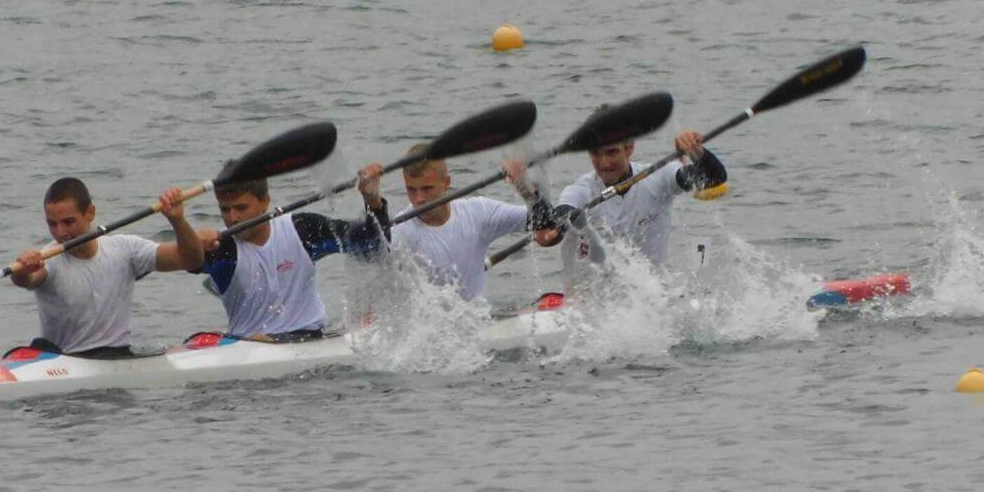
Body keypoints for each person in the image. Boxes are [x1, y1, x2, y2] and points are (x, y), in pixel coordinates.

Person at [9, 177, 204, 358]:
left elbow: (190, 260)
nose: (61, 232)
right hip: (65, 359)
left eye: (68, 222)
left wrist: (177, 221)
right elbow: (27, 279)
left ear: (90, 213)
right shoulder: (49, 260)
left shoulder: (125, 249)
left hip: (116, 355)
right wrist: (22, 270)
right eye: (52, 224)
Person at [197, 164, 389, 340]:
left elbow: (372, 243)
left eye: (240, 208)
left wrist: (371, 198)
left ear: (265, 202)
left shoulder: (302, 229)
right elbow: (174, 259)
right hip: (248, 342)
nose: (232, 218)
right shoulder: (222, 247)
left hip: (306, 335)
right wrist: (177, 220)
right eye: (225, 209)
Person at [536, 128, 726, 279]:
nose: (604, 163)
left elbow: (713, 178)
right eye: (596, 154)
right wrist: (553, 231)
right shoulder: (580, 190)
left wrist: (697, 153)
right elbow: (562, 213)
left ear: (629, 148)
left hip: (650, 298)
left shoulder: (659, 176)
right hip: (592, 305)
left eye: (612, 152)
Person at [393, 148, 556, 301]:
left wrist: (523, 187)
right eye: (411, 190)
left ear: (446, 183)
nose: (419, 199)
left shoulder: (478, 213)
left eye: (427, 188)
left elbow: (545, 221)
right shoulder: (401, 230)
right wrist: (373, 202)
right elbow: (372, 254)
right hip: (426, 327)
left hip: (476, 323)